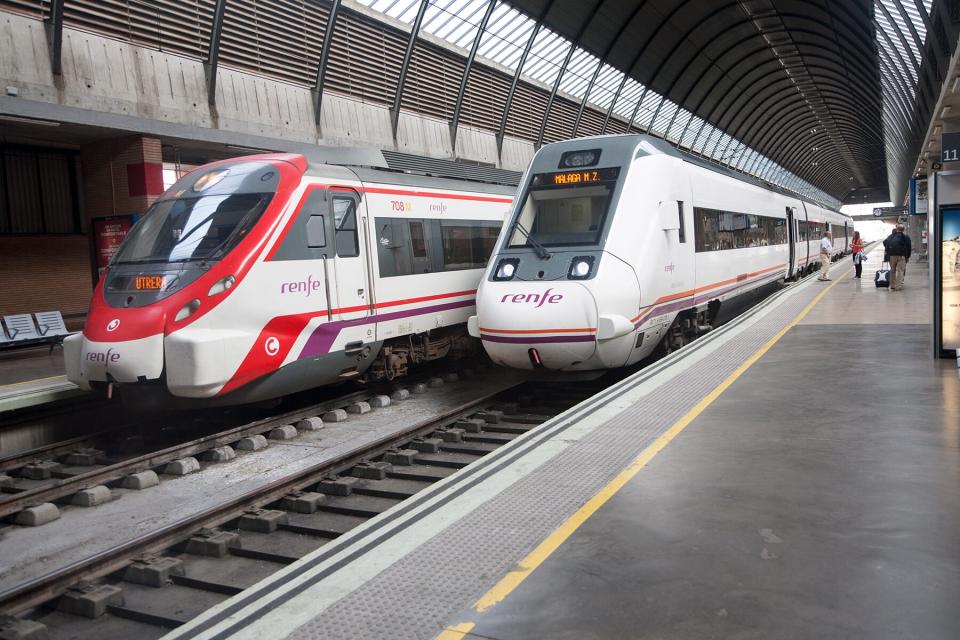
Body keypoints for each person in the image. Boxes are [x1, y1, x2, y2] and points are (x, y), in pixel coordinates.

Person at [883, 224, 912, 291]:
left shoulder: (891, 236)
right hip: (901, 256)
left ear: (897, 229)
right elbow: (909, 247)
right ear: (903, 230)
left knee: (892, 271)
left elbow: (884, 242)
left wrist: (890, 249)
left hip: (891, 256)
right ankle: (898, 286)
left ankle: (892, 286)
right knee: (900, 271)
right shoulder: (906, 237)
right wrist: (907, 256)